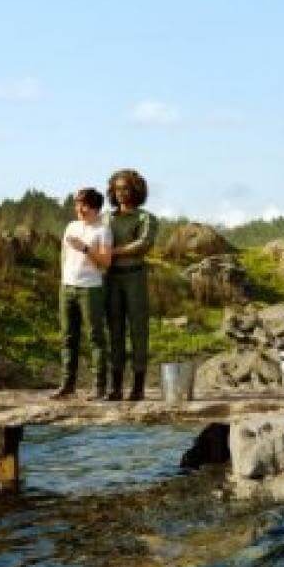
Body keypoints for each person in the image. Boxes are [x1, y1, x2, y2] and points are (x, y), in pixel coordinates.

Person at [53, 187, 113, 399]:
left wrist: (86, 248)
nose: (80, 208)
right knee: (68, 337)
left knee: (95, 337)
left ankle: (99, 388)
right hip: (67, 287)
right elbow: (63, 255)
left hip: (90, 289)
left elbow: (106, 262)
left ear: (96, 208)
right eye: (77, 204)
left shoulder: (103, 230)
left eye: (85, 205)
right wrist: (63, 280)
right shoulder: (71, 226)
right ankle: (67, 385)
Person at [103, 168, 157, 402]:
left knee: (138, 330)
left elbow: (143, 244)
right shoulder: (106, 218)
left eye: (125, 188)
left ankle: (138, 387)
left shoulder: (145, 218)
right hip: (110, 277)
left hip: (135, 276)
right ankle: (115, 387)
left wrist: (112, 251)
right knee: (114, 330)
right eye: (117, 189)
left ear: (135, 190)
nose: (121, 193)